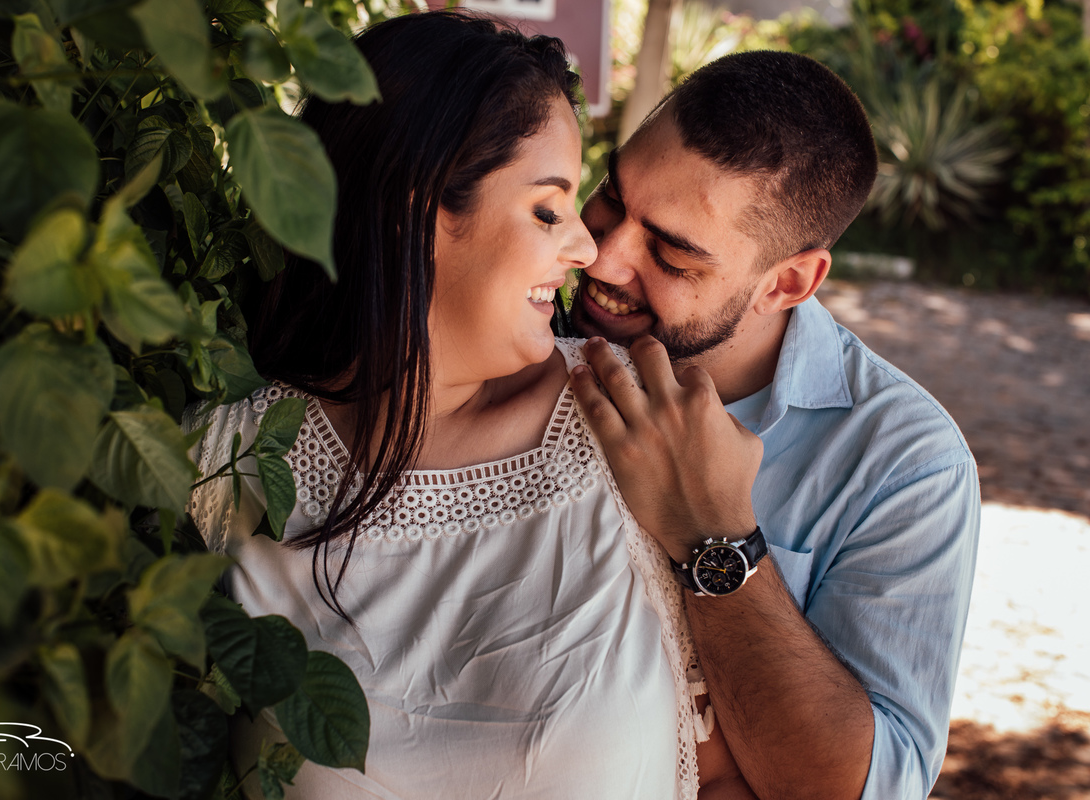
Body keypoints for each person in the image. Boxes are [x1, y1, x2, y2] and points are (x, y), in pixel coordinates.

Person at [186, 12, 748, 799]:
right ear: (414, 209)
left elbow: (730, 773)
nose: (586, 250)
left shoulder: (628, 424)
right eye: (549, 210)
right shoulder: (227, 457)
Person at [566, 51, 981, 800]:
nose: (601, 256)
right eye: (609, 195)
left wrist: (715, 539)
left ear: (786, 283)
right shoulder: (521, 334)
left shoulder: (905, 463)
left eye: (669, 252)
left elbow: (863, 790)